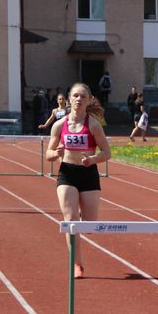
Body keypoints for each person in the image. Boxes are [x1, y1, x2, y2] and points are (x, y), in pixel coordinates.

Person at [45, 82, 111, 279]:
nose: (78, 99)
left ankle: (81, 210)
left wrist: (93, 159)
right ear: (69, 99)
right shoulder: (59, 125)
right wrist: (55, 154)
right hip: (67, 173)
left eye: (83, 96)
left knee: (89, 226)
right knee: (71, 221)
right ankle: (77, 264)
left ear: (89, 100)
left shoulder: (93, 125)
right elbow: (48, 154)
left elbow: (107, 152)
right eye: (75, 96)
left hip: (88, 173)